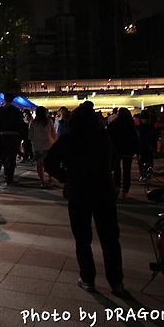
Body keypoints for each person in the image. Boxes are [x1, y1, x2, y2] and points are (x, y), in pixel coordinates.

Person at [44, 102, 126, 296]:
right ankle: (116, 282)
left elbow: (49, 162)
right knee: (110, 239)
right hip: (103, 191)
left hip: (78, 192)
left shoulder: (68, 139)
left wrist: (65, 177)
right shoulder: (103, 138)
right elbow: (115, 159)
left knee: (82, 238)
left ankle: (88, 279)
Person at [107, 108, 138, 199]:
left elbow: (108, 135)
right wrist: (136, 150)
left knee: (117, 170)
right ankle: (125, 191)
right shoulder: (131, 124)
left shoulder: (114, 124)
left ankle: (117, 187)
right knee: (127, 171)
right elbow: (135, 138)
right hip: (128, 151)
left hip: (116, 151)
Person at [0, 92, 27, 185]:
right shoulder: (16, 110)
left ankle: (5, 175)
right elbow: (20, 124)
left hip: (3, 135)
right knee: (12, 157)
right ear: (12, 99)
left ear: (4, 99)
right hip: (14, 136)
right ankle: (10, 178)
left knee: (4, 156)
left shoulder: (0, 110)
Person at [28, 106, 57, 187]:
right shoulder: (49, 121)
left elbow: (30, 135)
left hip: (37, 146)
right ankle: (50, 178)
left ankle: (42, 181)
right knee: (49, 163)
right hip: (49, 145)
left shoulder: (33, 122)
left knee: (40, 164)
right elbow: (53, 133)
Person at [136, 110, 161, 180]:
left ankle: (146, 175)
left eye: (145, 119)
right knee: (143, 162)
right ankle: (144, 175)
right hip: (143, 147)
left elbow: (156, 136)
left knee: (147, 161)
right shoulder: (140, 127)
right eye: (143, 119)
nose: (144, 120)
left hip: (148, 147)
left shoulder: (150, 127)